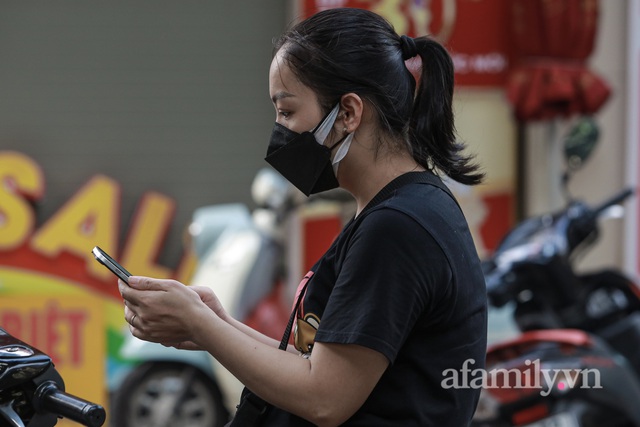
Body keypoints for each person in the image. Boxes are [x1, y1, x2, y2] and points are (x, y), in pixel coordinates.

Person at [119, 7, 487, 426]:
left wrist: (203, 326)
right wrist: (218, 324)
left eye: (288, 111)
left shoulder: (398, 226)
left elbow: (325, 398)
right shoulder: (397, 210)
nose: (279, 128)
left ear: (348, 113)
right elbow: (321, 361)